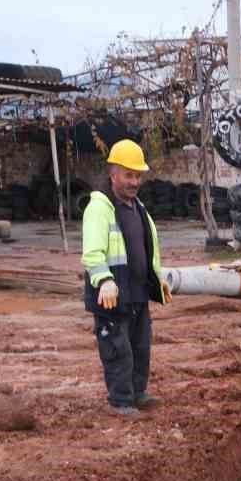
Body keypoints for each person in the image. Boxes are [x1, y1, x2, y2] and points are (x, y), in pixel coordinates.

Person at [82, 139, 170, 417]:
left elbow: (147, 250)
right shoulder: (100, 208)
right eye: (128, 175)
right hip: (113, 295)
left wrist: (158, 279)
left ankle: (137, 392)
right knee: (118, 349)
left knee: (140, 347)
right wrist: (104, 281)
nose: (134, 181)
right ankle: (120, 401)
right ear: (113, 174)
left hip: (138, 294)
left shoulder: (139, 209)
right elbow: (93, 253)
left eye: (138, 175)